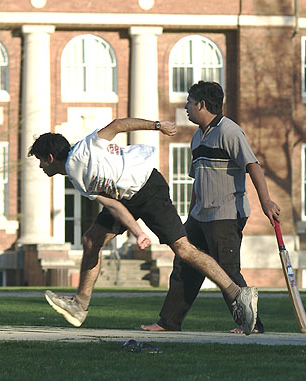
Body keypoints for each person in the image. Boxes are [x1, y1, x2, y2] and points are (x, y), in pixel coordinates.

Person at [28, 118, 259, 335]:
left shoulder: (86, 148)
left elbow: (118, 125)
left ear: (50, 157)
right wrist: (138, 232)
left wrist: (157, 125)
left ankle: (237, 293)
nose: (40, 167)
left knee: (183, 249)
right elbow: (115, 207)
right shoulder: (76, 178)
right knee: (91, 240)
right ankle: (80, 305)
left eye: (39, 160)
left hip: (149, 188)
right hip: (126, 198)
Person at [141, 81, 280, 334]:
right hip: (199, 217)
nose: (186, 107)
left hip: (226, 215)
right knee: (184, 266)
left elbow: (253, 166)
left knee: (227, 271)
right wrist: (190, 217)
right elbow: (199, 181)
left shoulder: (230, 131)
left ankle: (252, 325)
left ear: (202, 105)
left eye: (190, 102)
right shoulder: (197, 137)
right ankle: (168, 322)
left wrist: (266, 202)